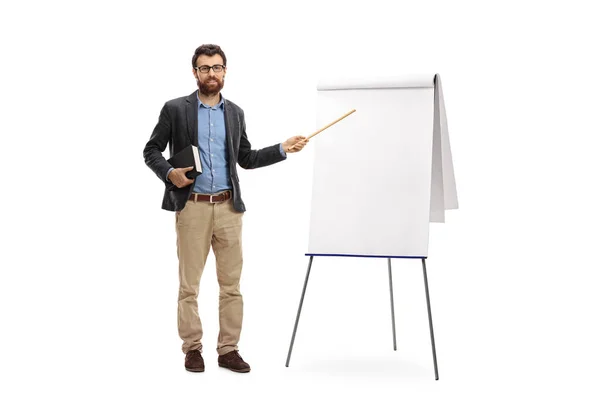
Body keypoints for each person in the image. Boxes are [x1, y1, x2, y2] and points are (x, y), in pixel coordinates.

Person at [143, 44, 308, 373]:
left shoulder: (235, 113)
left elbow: (245, 158)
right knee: (189, 285)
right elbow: (151, 150)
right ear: (195, 73)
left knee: (231, 285)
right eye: (205, 68)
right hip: (192, 208)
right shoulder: (175, 109)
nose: (211, 73)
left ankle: (228, 349)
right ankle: (192, 348)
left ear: (225, 71)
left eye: (217, 67)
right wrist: (169, 173)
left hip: (229, 209)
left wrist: (282, 148)